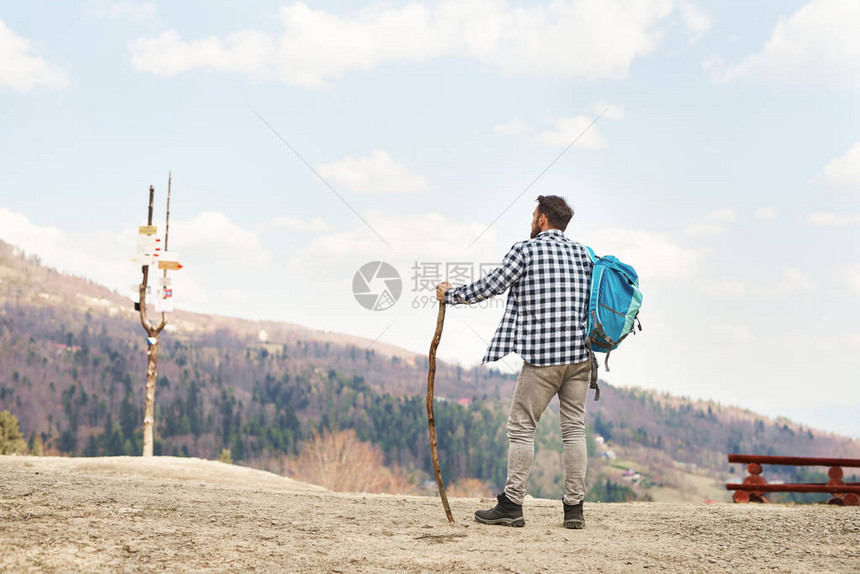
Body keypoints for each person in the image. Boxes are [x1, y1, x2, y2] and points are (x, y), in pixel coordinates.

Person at [436, 195, 595, 529]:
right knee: (574, 431)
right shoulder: (584, 254)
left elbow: (492, 286)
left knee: (522, 428)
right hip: (581, 358)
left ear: (541, 220)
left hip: (543, 359)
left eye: (534, 214)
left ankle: (512, 505)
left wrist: (451, 294)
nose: (532, 218)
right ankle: (574, 510)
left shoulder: (526, 250)